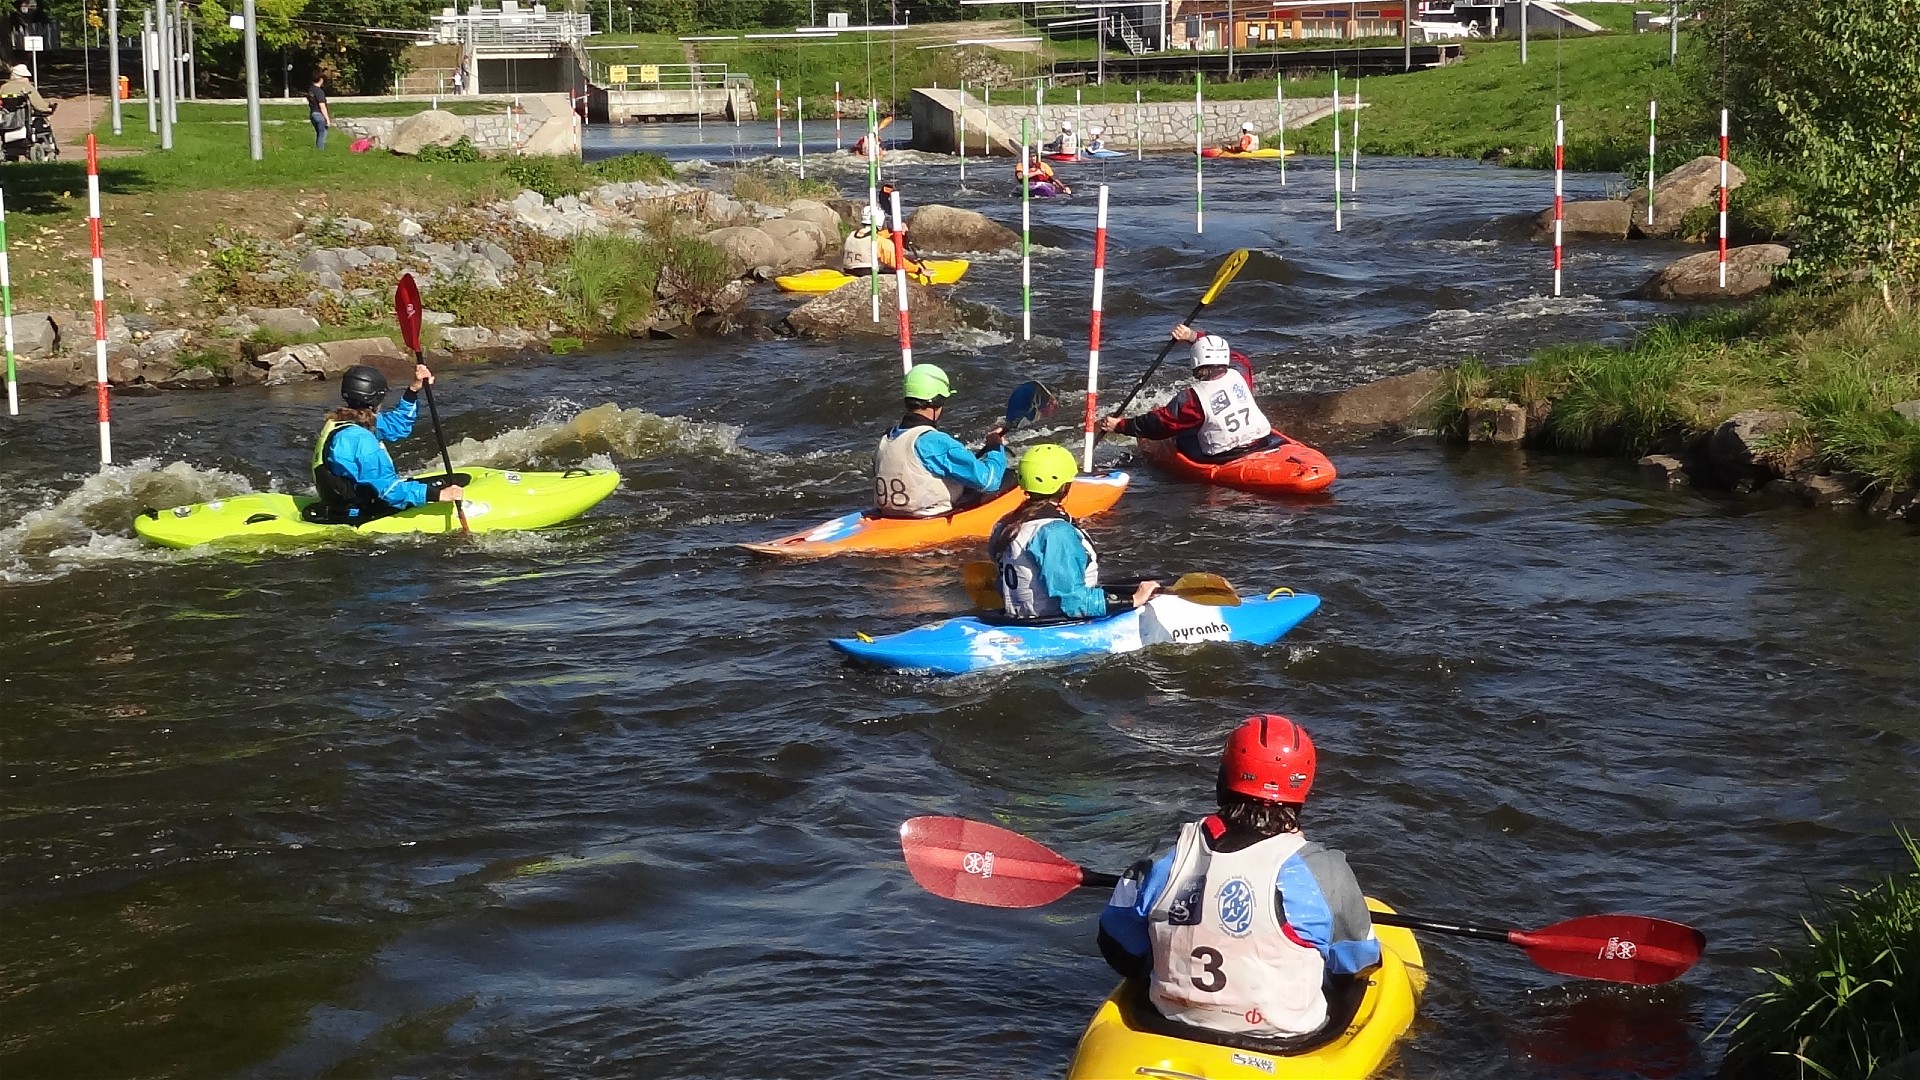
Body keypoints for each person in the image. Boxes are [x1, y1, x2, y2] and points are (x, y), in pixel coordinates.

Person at [1097, 715, 1381, 1040]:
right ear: (1304, 787)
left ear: (1224, 777)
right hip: (1285, 1040)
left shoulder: (1164, 857)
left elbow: (1117, 947)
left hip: (1167, 1022)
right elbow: (1358, 963)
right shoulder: (1325, 872)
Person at [988, 443, 1158, 621]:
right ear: (1065, 487)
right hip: (1054, 623)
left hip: (1017, 618)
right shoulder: (1055, 533)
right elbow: (1074, 603)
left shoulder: (1005, 524)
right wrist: (1134, 600)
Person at [1098, 324, 1280, 463]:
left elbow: (1159, 424)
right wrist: (1193, 336)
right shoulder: (1240, 372)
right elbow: (1233, 356)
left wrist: (1121, 425)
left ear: (1195, 360)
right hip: (1262, 441)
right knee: (1199, 420)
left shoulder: (1193, 398)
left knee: (1179, 433)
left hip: (1225, 456)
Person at [310, 363, 464, 525]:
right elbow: (388, 490)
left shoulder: (342, 422)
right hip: (358, 514)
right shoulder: (360, 440)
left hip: (343, 504)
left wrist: (413, 390)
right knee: (429, 490)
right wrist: (438, 495)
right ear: (377, 398)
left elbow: (397, 425)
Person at [873, 364, 1008, 519]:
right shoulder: (934, 442)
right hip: (927, 517)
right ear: (937, 401)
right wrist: (995, 447)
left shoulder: (886, 438)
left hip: (889, 515)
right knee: (1008, 479)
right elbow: (989, 481)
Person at [842, 206, 926, 279]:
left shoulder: (852, 234)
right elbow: (897, 262)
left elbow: (873, 235)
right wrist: (918, 270)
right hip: (866, 273)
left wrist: (893, 231)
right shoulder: (881, 242)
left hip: (848, 270)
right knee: (894, 268)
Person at [305, 72, 331, 150]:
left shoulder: (311, 90)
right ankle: (320, 150)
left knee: (319, 133)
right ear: (321, 80)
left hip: (313, 114)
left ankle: (318, 150)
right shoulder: (319, 91)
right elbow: (322, 106)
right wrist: (327, 119)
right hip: (319, 115)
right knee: (322, 134)